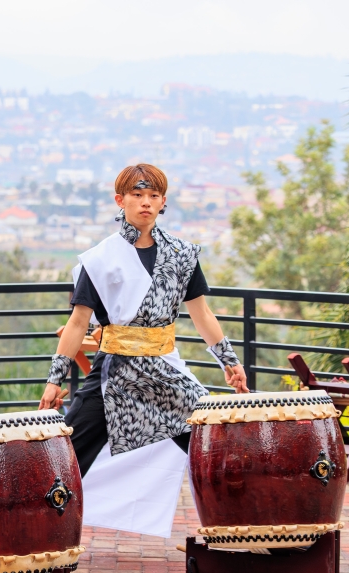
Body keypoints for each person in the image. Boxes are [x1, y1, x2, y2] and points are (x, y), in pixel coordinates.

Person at [39, 163, 248, 538]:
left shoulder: (182, 254)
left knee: (213, 444)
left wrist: (229, 361)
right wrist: (55, 379)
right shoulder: (101, 258)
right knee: (66, 454)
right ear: (120, 200)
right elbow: (77, 322)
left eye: (153, 196)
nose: (145, 203)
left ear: (163, 202)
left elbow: (201, 314)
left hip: (168, 372)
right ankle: (36, 533)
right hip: (115, 374)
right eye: (137, 195)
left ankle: (242, 528)